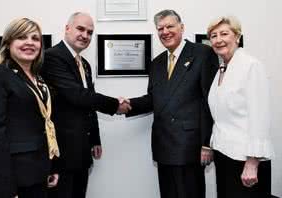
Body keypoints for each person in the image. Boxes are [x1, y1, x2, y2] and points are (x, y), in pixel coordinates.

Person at [123, 9, 218, 198]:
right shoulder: (156, 63)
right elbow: (154, 99)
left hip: (190, 146)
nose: (165, 32)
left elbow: (210, 101)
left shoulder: (202, 53)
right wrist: (126, 104)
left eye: (170, 26)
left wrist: (207, 144)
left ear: (182, 27)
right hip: (163, 144)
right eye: (160, 28)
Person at [41, 12, 131, 198]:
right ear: (67, 28)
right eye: (80, 29)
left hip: (81, 150)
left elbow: (88, 103)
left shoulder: (85, 64)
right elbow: (78, 96)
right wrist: (116, 105)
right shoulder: (52, 57)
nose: (85, 35)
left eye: (90, 32)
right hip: (61, 152)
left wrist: (95, 138)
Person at [0, 18, 59, 198]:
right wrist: (5, 190)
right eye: (21, 37)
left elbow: (45, 125)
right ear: (8, 42)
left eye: (35, 38)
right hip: (12, 180)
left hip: (38, 174)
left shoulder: (40, 80)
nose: (30, 42)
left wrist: (51, 167)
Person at [207, 16, 274, 198]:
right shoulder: (222, 68)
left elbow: (260, 117)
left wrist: (252, 163)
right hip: (224, 154)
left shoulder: (251, 66)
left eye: (224, 33)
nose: (218, 39)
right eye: (213, 35)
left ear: (237, 37)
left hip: (246, 160)